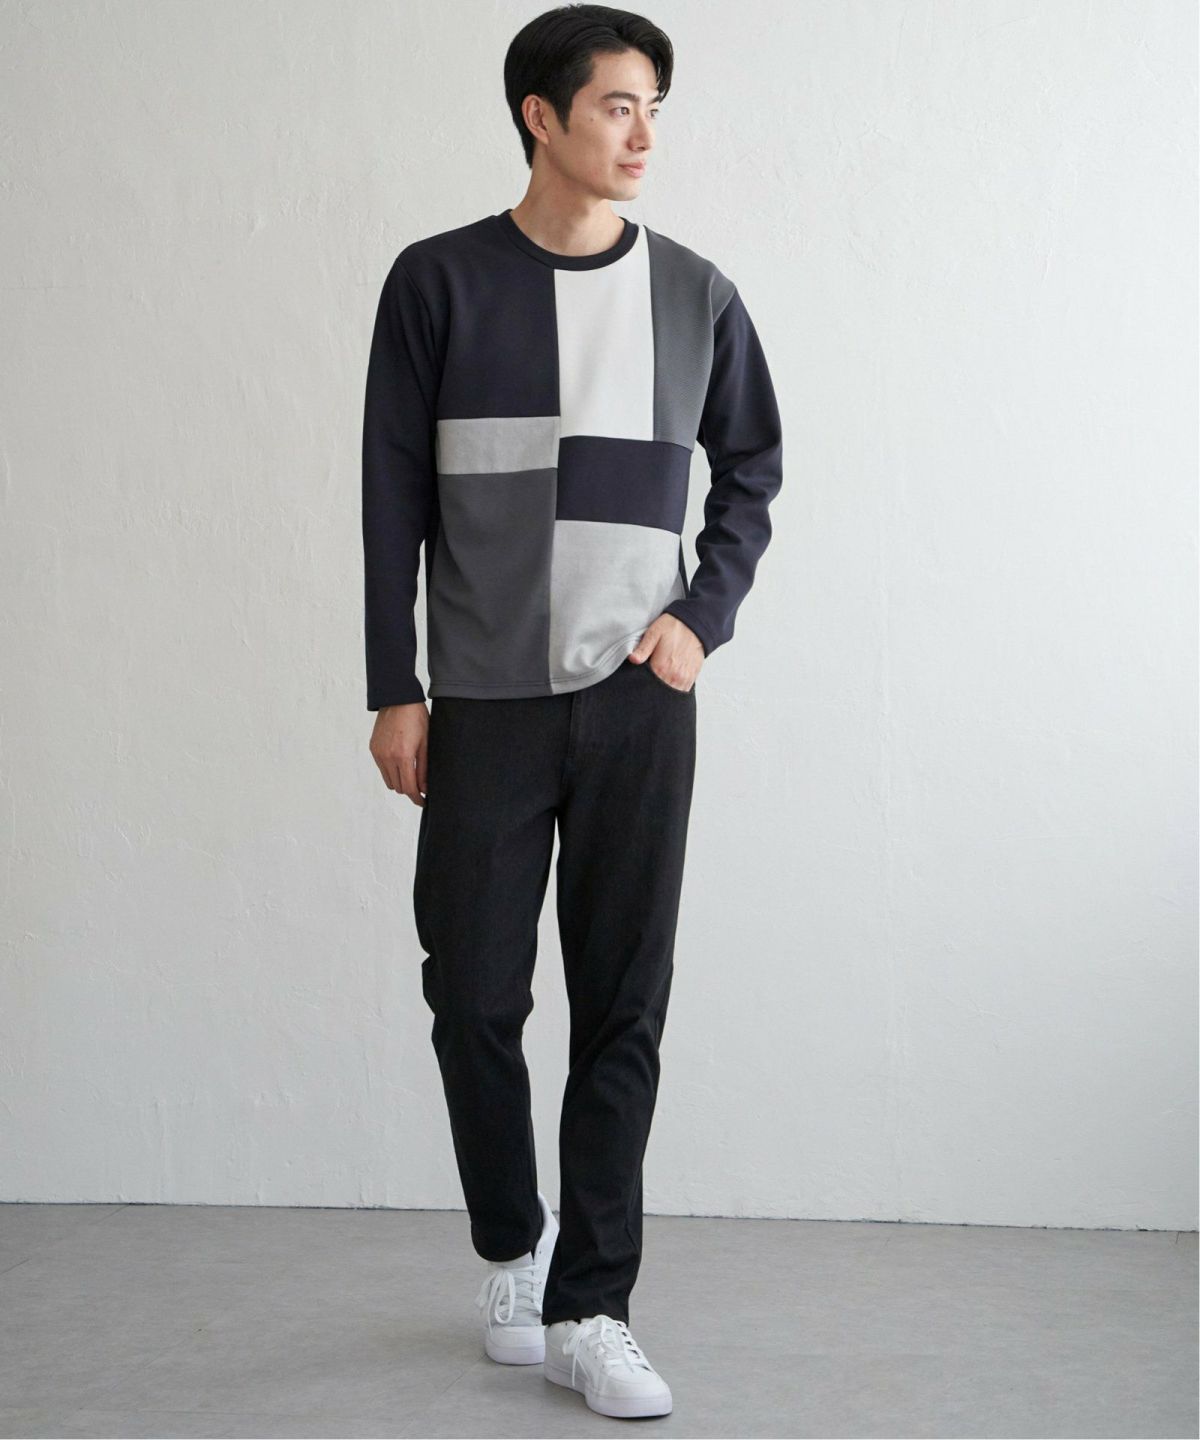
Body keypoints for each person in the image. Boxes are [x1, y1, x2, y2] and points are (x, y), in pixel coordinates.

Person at [361, 3, 782, 1421]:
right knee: (473, 995)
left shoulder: (696, 294)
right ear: (540, 117)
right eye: (617, 103)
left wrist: (698, 620)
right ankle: (514, 1249)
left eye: (655, 104)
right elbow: (389, 497)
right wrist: (394, 685)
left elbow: (753, 472)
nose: (645, 132)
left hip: (637, 701)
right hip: (483, 700)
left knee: (622, 1006)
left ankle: (595, 1305)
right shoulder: (437, 282)